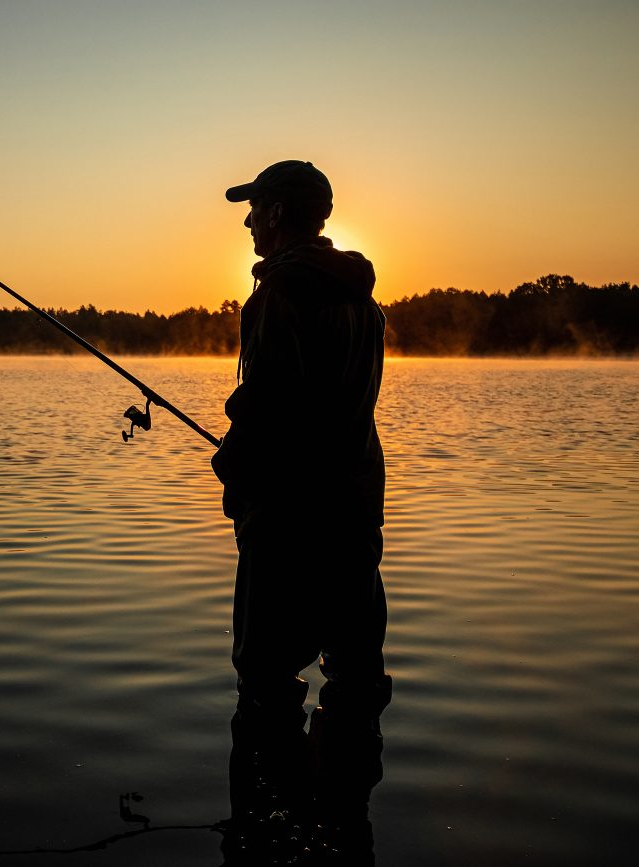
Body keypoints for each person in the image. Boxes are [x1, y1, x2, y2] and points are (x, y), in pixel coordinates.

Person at [211, 159, 393, 742]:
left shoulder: (279, 295)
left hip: (287, 514)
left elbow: (268, 405)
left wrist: (231, 468)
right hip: (354, 505)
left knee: (266, 678)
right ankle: (347, 809)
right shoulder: (364, 301)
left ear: (279, 214)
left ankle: (264, 822)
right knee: (356, 673)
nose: (248, 224)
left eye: (254, 211)